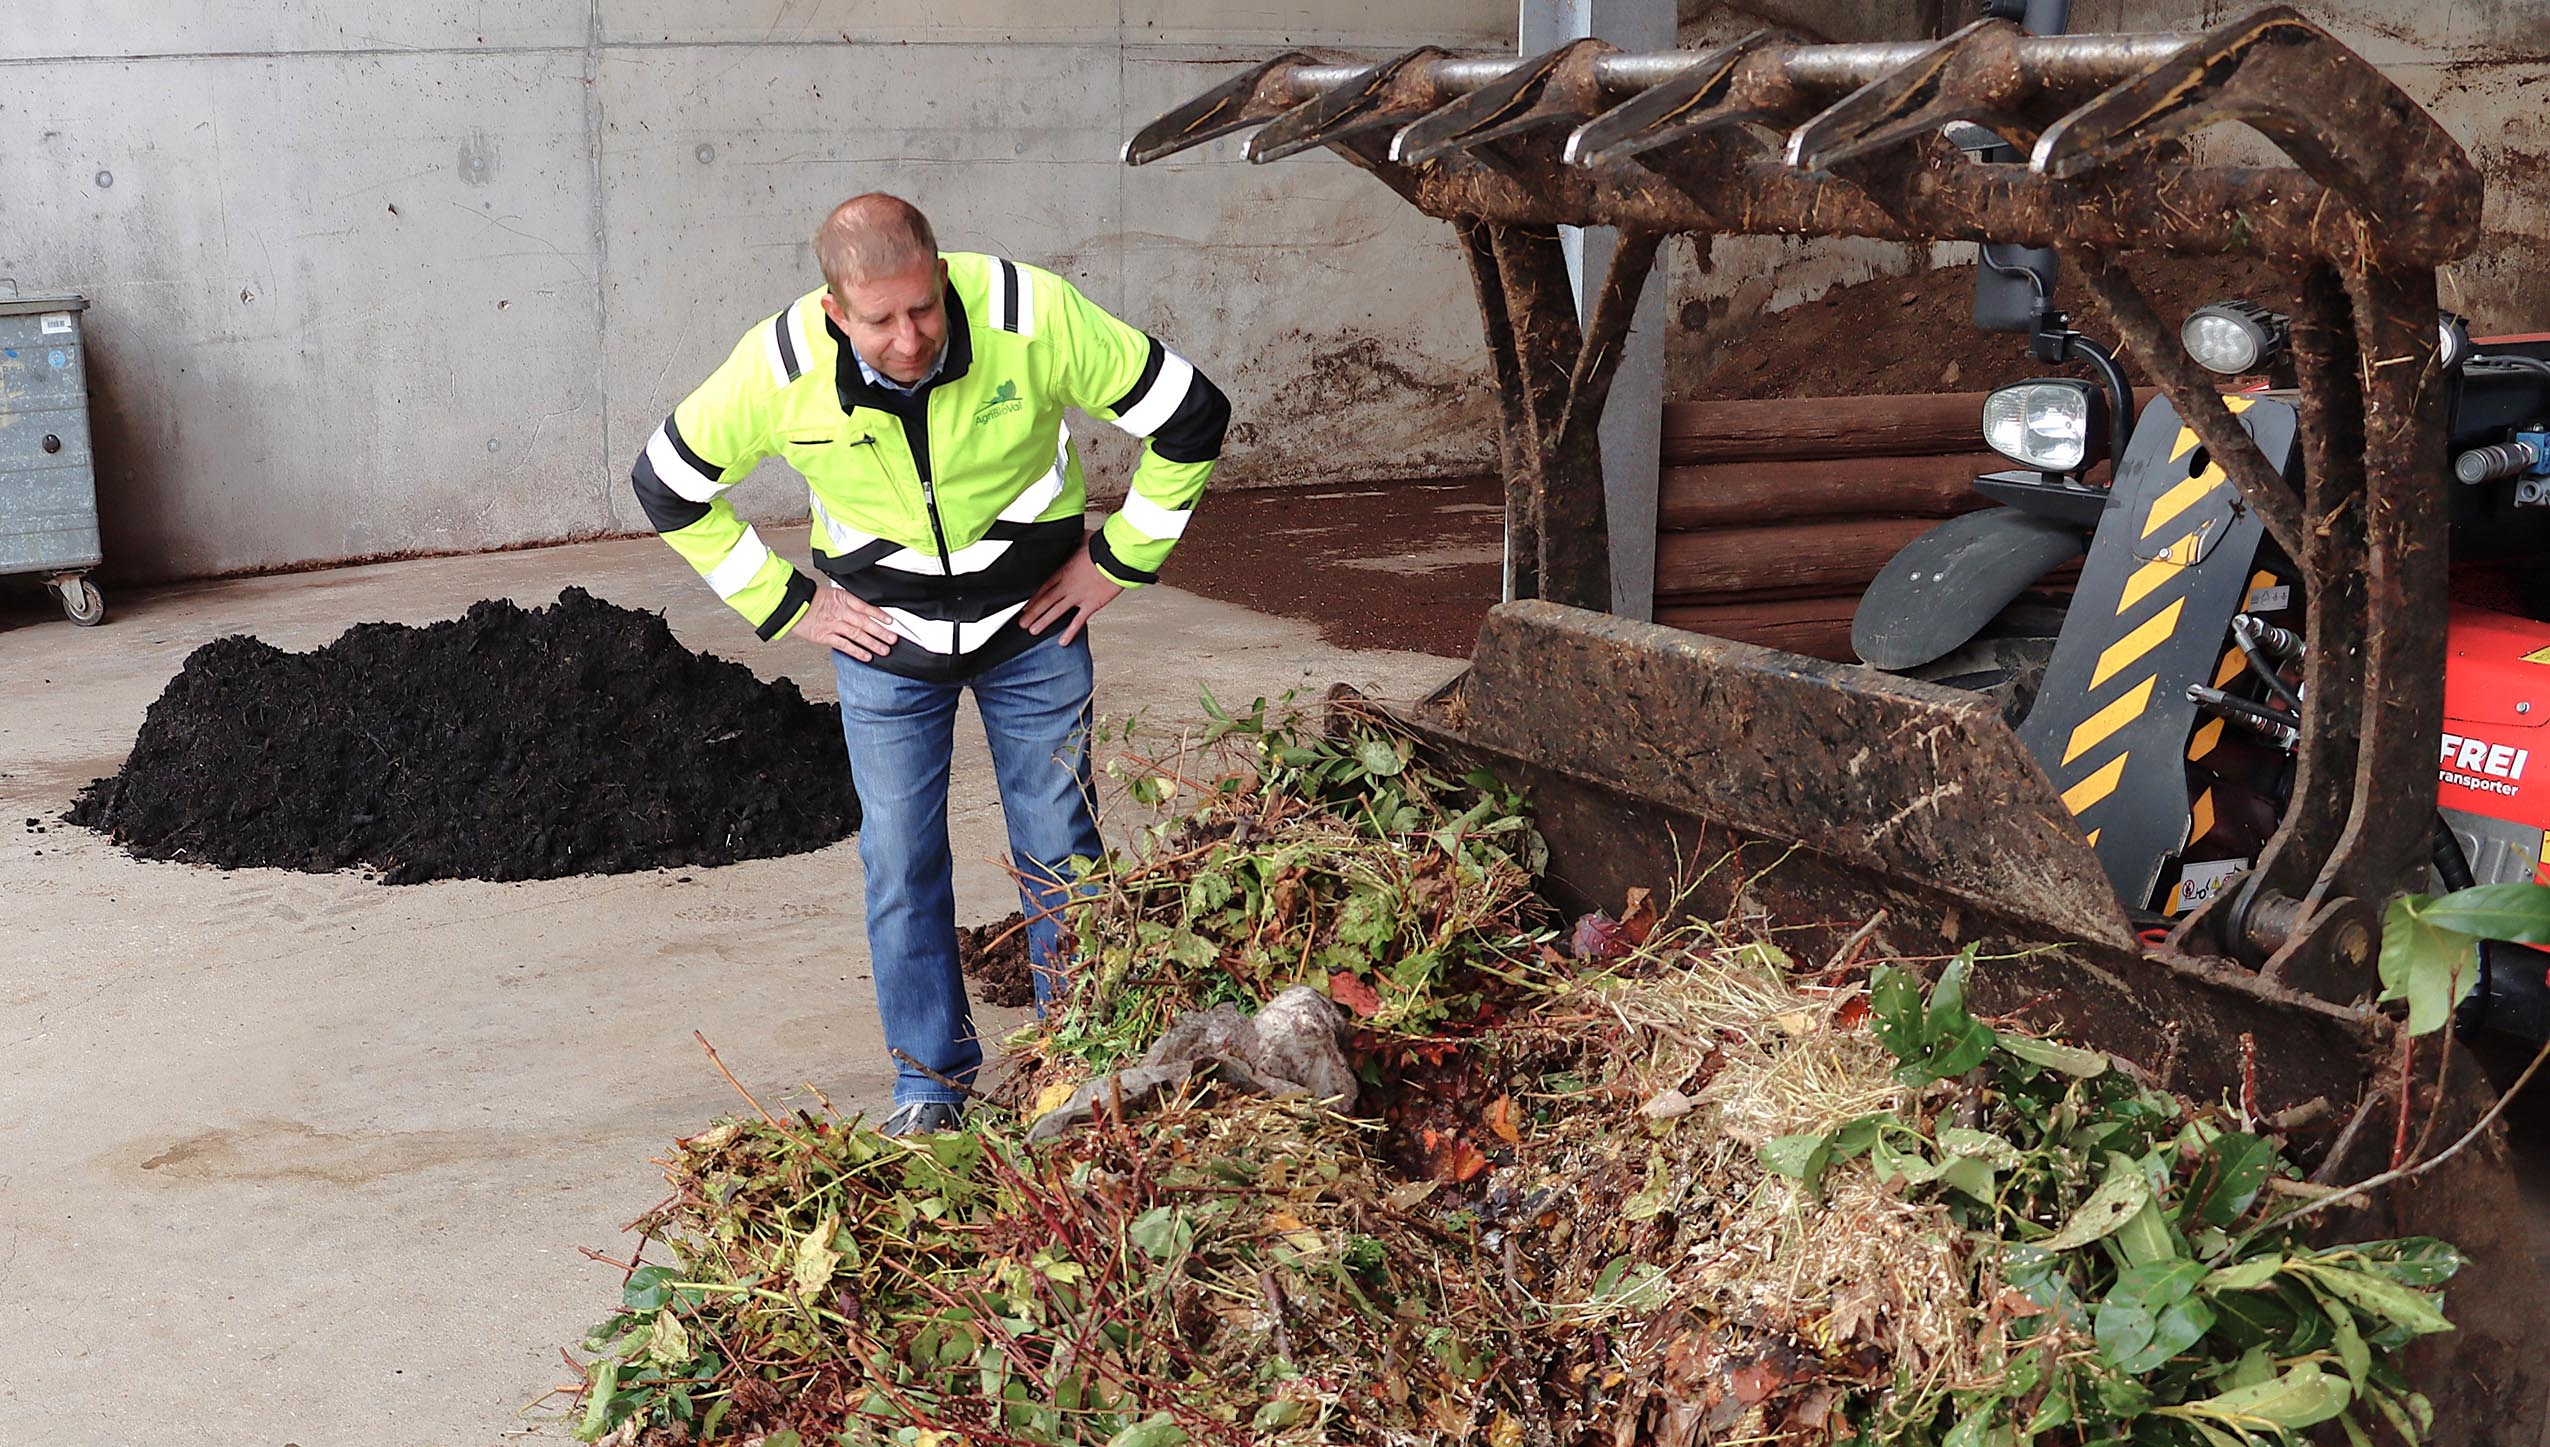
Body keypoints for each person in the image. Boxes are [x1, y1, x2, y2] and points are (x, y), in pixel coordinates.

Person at [630, 193, 1230, 1135]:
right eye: (880, 320)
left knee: (1061, 848)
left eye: (924, 307)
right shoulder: (779, 368)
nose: (910, 339)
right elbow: (667, 482)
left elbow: (1192, 415)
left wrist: (1118, 559)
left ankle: (1077, 1064)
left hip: (1036, 628)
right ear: (836, 311)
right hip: (888, 648)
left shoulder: (1031, 314)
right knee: (901, 862)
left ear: (942, 275)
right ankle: (930, 1086)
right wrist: (788, 603)